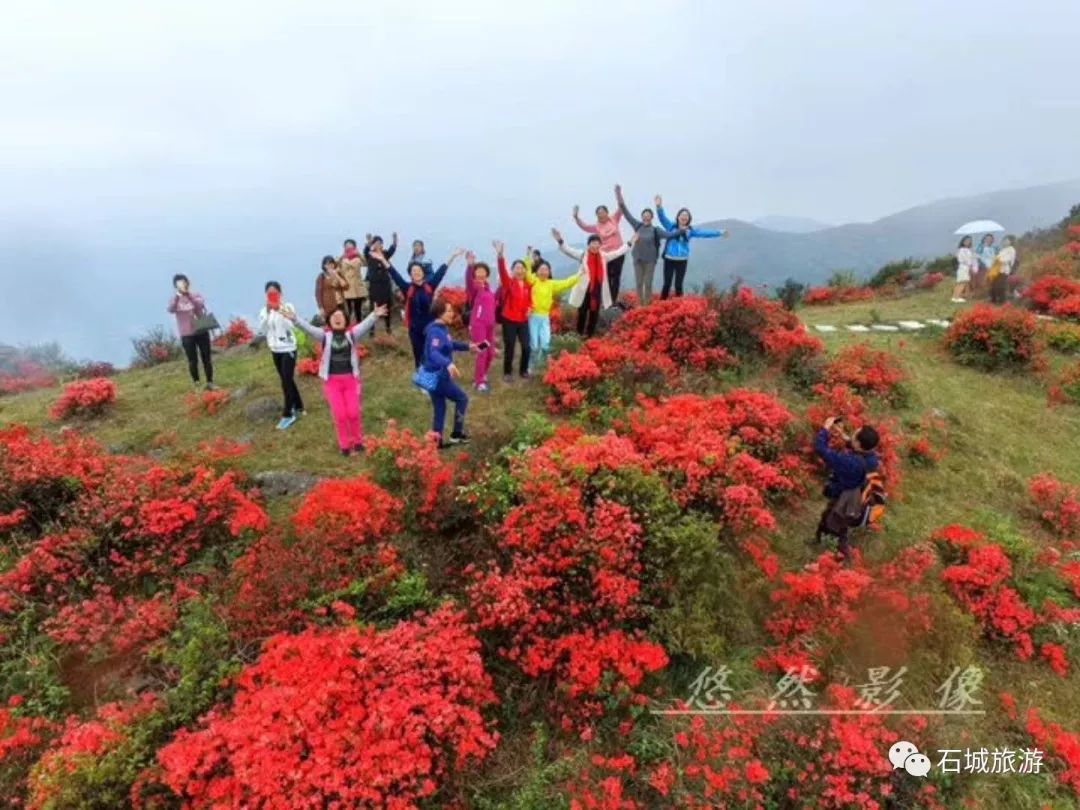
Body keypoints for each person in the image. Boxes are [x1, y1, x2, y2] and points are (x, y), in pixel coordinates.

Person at [285, 303, 385, 456]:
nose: (337, 319)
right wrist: (295, 319)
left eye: (340, 317)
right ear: (329, 321)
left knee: (353, 413)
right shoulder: (325, 335)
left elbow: (365, 325)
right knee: (340, 415)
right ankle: (345, 445)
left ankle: (358, 442)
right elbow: (308, 328)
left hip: (351, 380)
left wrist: (375, 314)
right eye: (334, 317)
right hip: (332, 382)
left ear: (345, 320)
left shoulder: (352, 334)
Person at [382, 247, 464, 368]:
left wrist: (453, 256)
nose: (416, 272)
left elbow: (441, 272)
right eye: (413, 271)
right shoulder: (407, 288)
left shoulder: (430, 286)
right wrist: (383, 259)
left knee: (433, 352)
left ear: (423, 272)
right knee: (418, 354)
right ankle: (422, 378)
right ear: (410, 274)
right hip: (415, 329)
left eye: (418, 270)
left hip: (431, 328)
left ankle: (435, 375)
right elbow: (394, 273)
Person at [813, 416, 880, 561]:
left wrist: (825, 428)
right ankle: (820, 540)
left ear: (859, 444)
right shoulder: (871, 458)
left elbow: (821, 449)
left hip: (844, 500)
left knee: (836, 525)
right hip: (855, 497)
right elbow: (858, 449)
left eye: (854, 435)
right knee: (829, 518)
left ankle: (839, 557)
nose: (852, 435)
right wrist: (844, 437)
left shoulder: (850, 463)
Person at [551, 227, 633, 338]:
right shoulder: (582, 255)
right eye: (593, 243)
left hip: (597, 289)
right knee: (583, 311)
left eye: (597, 243)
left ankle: (590, 335)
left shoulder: (604, 256)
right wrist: (560, 240)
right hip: (584, 289)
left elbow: (618, 252)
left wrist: (630, 243)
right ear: (588, 244)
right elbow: (568, 250)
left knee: (594, 312)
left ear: (600, 245)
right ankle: (579, 334)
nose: (595, 245)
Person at [420, 298, 479, 448]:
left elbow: (450, 344)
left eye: (452, 310)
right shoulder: (435, 332)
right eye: (449, 311)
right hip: (438, 376)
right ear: (439, 314)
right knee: (462, 399)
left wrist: (468, 346)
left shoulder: (442, 328)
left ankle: (436, 442)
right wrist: (448, 363)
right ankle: (457, 434)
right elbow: (433, 352)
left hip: (431, 375)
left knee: (440, 407)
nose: (452, 313)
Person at [615, 183, 680, 305]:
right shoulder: (637, 225)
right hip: (638, 259)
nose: (646, 218)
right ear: (641, 217)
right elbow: (625, 211)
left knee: (648, 283)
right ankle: (640, 307)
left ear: (651, 218)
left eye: (648, 216)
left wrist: (682, 230)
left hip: (650, 261)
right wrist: (618, 194)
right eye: (644, 216)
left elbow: (670, 235)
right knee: (639, 283)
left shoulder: (656, 230)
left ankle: (647, 307)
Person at [655, 195, 727, 299]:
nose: (684, 217)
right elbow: (662, 218)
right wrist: (659, 206)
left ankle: (680, 309)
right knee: (667, 284)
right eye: (682, 215)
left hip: (682, 260)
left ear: (689, 219)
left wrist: (720, 233)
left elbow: (705, 233)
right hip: (669, 259)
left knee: (678, 286)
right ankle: (660, 307)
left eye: (686, 215)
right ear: (678, 217)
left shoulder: (690, 231)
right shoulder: (671, 227)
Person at [524, 256, 584, 372]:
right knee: (534, 345)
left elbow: (566, 283)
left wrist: (579, 274)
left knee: (546, 344)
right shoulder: (533, 281)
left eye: (546, 269)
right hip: (533, 317)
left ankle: (540, 365)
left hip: (545, 317)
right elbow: (526, 272)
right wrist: (528, 256)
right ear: (536, 271)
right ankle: (530, 365)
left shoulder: (551, 284)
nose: (543, 272)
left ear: (549, 272)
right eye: (541, 269)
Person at [257, 282, 304, 429]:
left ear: (280, 293)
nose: (272, 296)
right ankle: (299, 406)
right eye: (269, 293)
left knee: (286, 381)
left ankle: (288, 414)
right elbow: (262, 330)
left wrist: (280, 310)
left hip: (288, 348)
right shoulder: (264, 311)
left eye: (274, 293)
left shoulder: (288, 307)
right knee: (286, 378)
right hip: (275, 349)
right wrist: (268, 311)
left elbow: (292, 325)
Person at [167, 273, 216, 390]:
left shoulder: (196, 295)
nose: (182, 285)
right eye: (179, 284)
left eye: (184, 282)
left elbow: (199, 305)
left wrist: (189, 295)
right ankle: (197, 383)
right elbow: (171, 309)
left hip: (201, 330)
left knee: (206, 358)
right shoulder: (175, 300)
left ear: (187, 283)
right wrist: (178, 296)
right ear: (175, 286)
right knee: (192, 360)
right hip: (187, 334)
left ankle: (210, 382)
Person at [495, 240, 534, 381]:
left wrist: (530, 308)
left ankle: (523, 370)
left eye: (522, 267)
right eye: (517, 268)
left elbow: (530, 301)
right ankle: (507, 372)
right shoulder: (508, 282)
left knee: (526, 346)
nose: (520, 270)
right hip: (509, 319)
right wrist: (500, 255)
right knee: (510, 346)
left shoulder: (528, 285)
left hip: (523, 320)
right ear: (512, 271)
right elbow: (501, 270)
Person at [573, 199, 626, 301]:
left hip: (618, 254)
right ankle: (604, 300)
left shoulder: (614, 219)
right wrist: (576, 217)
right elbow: (585, 227)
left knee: (615, 278)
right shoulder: (597, 227)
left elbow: (621, 207)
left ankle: (613, 300)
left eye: (602, 212)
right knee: (605, 278)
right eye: (598, 213)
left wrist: (618, 193)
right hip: (605, 256)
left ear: (607, 213)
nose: (601, 215)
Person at [465, 253, 497, 392]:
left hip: (490, 326)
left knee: (490, 353)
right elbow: (468, 279)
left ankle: (482, 374)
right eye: (478, 271)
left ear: (487, 274)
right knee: (482, 351)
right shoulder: (474, 287)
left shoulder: (489, 288)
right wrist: (470, 265)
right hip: (478, 326)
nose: (481, 273)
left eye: (483, 271)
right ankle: (479, 382)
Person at [364, 233, 398, 334]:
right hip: (374, 284)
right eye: (376, 243)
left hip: (385, 284)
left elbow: (393, 249)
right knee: (373, 306)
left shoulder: (385, 254)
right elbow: (366, 250)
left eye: (380, 243)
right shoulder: (369, 254)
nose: (378, 245)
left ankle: (388, 327)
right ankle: (371, 328)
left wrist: (395, 239)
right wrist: (369, 241)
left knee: (387, 305)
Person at [338, 239, 368, 324]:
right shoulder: (342, 258)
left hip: (357, 286)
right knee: (348, 309)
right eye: (346, 245)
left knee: (358, 308)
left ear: (354, 246)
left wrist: (359, 254)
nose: (348, 246)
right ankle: (347, 326)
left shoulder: (358, 257)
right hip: (347, 287)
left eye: (350, 245)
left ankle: (359, 326)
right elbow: (335, 266)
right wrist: (341, 257)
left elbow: (366, 264)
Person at [315, 255, 348, 322]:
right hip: (328, 306)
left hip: (340, 303)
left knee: (343, 322)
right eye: (327, 264)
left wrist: (336, 275)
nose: (330, 266)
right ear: (324, 266)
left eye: (331, 263)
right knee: (331, 323)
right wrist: (321, 307)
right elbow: (318, 294)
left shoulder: (338, 274)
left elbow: (345, 286)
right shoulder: (321, 277)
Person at [989, 235, 1017, 305]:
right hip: (997, 270)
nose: (1005, 242)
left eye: (1007, 240)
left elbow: (1009, 259)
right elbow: (996, 258)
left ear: (1010, 242)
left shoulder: (1011, 249)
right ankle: (993, 300)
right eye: (1004, 240)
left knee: (1001, 286)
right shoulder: (1002, 250)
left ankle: (1002, 301)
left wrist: (999, 260)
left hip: (1004, 270)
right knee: (994, 285)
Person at [953, 235, 975, 303]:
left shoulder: (968, 250)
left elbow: (970, 259)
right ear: (963, 242)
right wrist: (969, 264)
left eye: (969, 241)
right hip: (963, 268)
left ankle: (955, 297)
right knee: (961, 282)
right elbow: (962, 259)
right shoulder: (962, 250)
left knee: (961, 282)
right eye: (966, 241)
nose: (968, 242)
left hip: (965, 268)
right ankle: (956, 297)